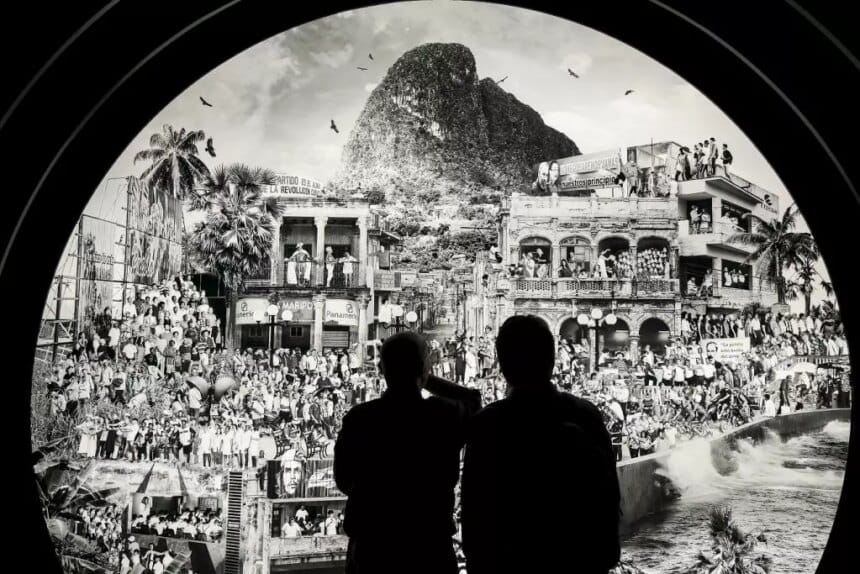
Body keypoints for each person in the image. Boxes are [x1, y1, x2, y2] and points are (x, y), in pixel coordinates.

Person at [461, 315, 620, 574]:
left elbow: (474, 518)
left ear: (502, 365)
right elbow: (609, 503)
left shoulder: (486, 425)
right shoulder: (585, 415)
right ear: (552, 359)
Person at [334, 331, 481, 574]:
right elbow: (472, 400)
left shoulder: (360, 418)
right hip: (429, 546)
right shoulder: (441, 415)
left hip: (372, 548)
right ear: (424, 367)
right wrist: (424, 378)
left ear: (381, 369)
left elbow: (343, 480)